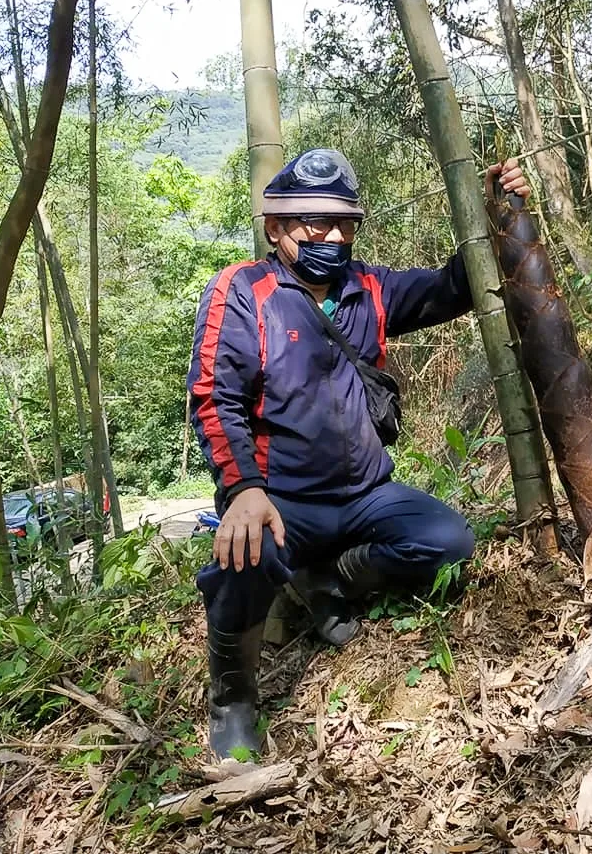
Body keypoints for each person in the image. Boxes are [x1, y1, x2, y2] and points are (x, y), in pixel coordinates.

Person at [187, 147, 532, 759]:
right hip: (282, 500)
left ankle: (334, 578)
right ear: (276, 226)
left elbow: (453, 286)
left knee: (449, 539)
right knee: (245, 551)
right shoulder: (242, 291)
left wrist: (495, 212)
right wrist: (241, 490)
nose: (334, 235)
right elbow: (215, 398)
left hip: (367, 496)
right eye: (316, 221)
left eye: (345, 222)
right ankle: (234, 698)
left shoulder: (366, 288)